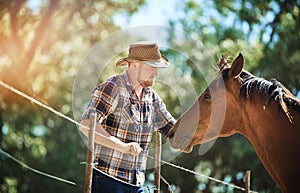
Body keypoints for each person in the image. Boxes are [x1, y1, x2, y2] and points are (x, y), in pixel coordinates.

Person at [80, 41, 176, 193]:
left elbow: (175, 132)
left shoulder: (152, 98)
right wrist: (122, 147)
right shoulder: (113, 87)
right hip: (108, 181)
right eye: (151, 67)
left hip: (137, 185)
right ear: (134, 65)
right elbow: (86, 125)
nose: (156, 73)